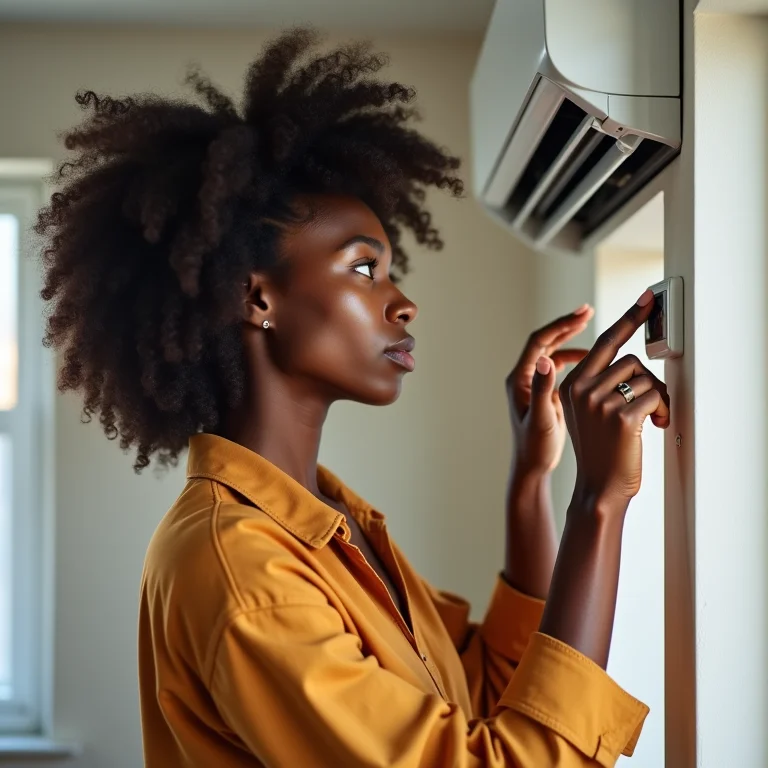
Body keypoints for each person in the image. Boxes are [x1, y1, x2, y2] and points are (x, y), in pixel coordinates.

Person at [36, 29, 670, 768]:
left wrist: (531, 483)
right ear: (257, 297)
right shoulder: (243, 573)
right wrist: (599, 502)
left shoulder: (333, 524)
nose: (403, 305)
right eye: (363, 269)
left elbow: (490, 693)